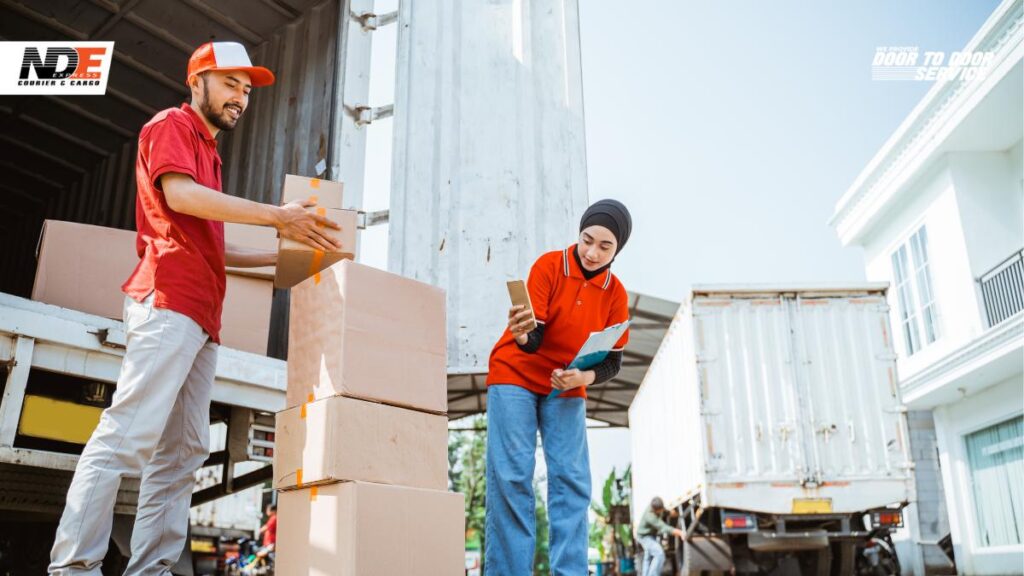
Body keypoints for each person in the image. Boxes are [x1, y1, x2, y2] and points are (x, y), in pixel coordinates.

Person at [49, 42, 340, 575]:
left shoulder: (211, 154)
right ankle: (73, 567)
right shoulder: (171, 127)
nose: (241, 98)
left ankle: (154, 569)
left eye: (247, 90)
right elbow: (180, 199)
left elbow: (211, 242)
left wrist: (283, 263)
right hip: (167, 301)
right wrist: (278, 218)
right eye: (230, 83)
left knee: (182, 454)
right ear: (197, 80)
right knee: (128, 436)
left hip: (203, 318)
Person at [484, 199, 633, 575]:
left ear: (618, 250)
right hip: (515, 372)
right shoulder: (550, 266)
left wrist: (581, 378)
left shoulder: (615, 294)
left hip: (567, 382)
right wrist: (520, 333)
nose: (592, 252)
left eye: (605, 246)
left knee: (571, 479)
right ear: (579, 234)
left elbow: (612, 360)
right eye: (587, 240)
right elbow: (534, 339)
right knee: (512, 476)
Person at [637, 497, 685, 576]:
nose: (661, 511)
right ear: (655, 509)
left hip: (651, 535)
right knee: (659, 554)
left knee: (648, 558)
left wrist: (673, 513)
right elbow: (663, 527)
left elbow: (665, 512)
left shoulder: (658, 508)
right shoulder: (650, 516)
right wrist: (680, 533)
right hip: (645, 537)